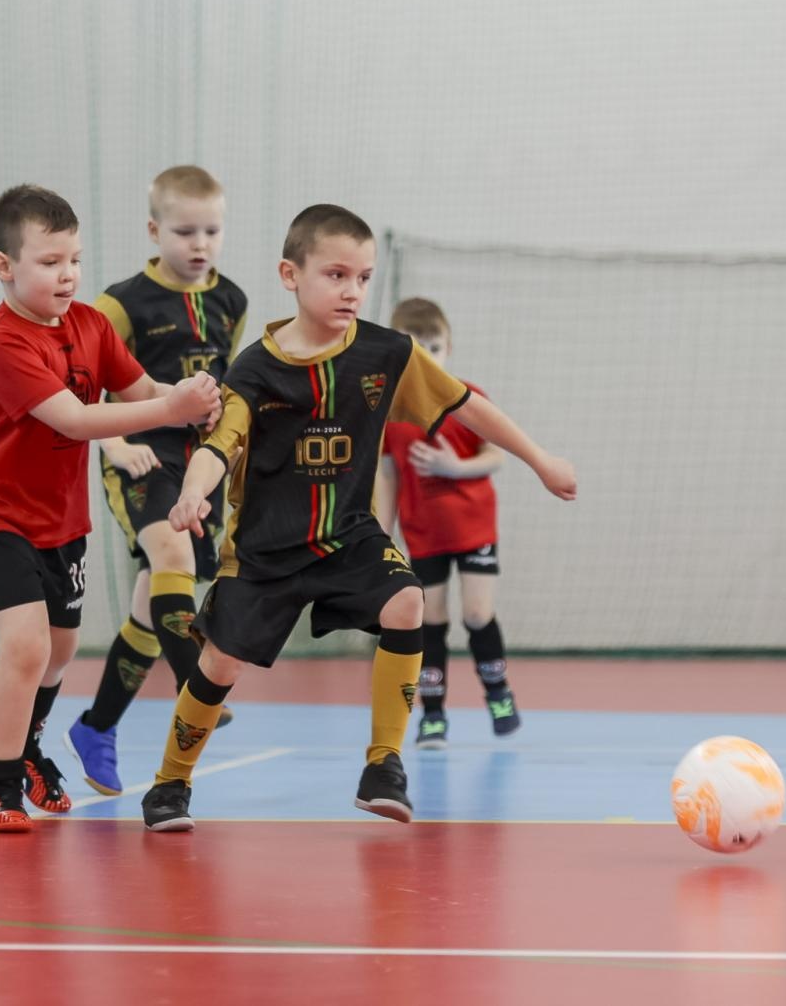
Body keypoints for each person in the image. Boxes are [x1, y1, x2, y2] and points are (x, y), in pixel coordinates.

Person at [142, 204, 576, 832]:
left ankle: (383, 765)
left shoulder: (386, 353)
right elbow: (221, 443)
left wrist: (539, 459)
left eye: (364, 278)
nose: (353, 290)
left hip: (349, 536)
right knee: (220, 664)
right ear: (291, 274)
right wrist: (194, 492)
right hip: (265, 550)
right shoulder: (254, 370)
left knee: (407, 602)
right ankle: (170, 785)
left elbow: (465, 405)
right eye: (337, 274)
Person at [0, 184, 220, 833]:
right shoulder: (3, 342)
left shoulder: (92, 326)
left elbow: (143, 388)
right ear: (4, 266)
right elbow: (74, 421)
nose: (67, 274)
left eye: (73, 259)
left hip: (61, 520)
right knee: (25, 647)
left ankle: (31, 746)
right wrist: (169, 410)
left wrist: (194, 396)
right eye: (49, 262)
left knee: (61, 650)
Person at [63, 165, 249, 797]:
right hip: (141, 453)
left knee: (152, 607)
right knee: (168, 552)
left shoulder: (233, 301)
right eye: (185, 231)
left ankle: (96, 726)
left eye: (212, 231)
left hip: (202, 466)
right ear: (154, 230)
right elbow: (80, 383)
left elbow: (228, 391)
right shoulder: (121, 302)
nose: (200, 244)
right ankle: (196, 680)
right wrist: (112, 442)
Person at [374, 298, 518, 749]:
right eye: (417, 349)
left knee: (477, 614)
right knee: (430, 621)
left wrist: (455, 467)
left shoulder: (467, 399)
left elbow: (496, 454)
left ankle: (498, 691)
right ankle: (433, 715)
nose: (428, 357)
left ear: (449, 348)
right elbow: (387, 474)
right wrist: (381, 534)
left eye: (435, 347)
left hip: (473, 528)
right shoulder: (391, 413)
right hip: (424, 534)